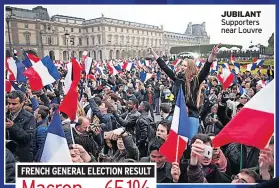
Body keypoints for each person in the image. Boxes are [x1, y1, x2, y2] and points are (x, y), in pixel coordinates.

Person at [149, 44, 220, 131]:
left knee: (189, 141)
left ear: (190, 68)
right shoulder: (177, 78)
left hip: (190, 114)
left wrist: (212, 55)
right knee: (163, 131)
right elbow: (164, 67)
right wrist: (153, 52)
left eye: (185, 66)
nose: (182, 67)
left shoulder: (196, 81)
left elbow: (205, 68)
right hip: (176, 112)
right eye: (182, 65)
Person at [6, 90, 36, 162]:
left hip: (20, 158)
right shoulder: (5, 115)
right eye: (8, 103)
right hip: (6, 156)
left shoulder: (29, 117)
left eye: (14, 104)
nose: (10, 106)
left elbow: (27, 138)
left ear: (22, 103)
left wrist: (12, 127)